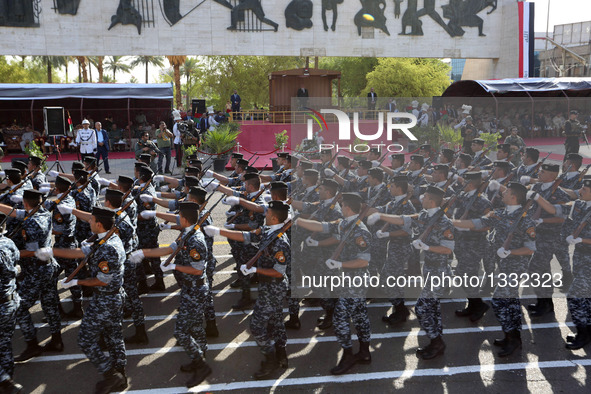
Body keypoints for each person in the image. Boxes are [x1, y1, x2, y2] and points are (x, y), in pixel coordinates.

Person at [37, 207, 128, 393]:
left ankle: (112, 375)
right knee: (113, 337)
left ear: (99, 224)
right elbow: (80, 252)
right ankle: (120, 376)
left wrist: (77, 282)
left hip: (106, 300)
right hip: (112, 297)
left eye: (91, 220)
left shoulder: (108, 247)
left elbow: (101, 281)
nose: (89, 222)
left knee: (85, 339)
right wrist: (53, 251)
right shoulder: (107, 238)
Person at [204, 200, 290, 379]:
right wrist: (219, 231)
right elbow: (247, 236)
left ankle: (271, 358)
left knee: (257, 326)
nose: (264, 214)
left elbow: (278, 272)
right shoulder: (268, 230)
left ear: (274, 218)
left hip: (274, 287)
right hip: (267, 285)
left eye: (267, 213)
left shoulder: (281, 242)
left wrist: (255, 270)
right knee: (275, 320)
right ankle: (281, 353)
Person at [130, 201, 212, 388]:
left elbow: (198, 270)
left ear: (184, 219)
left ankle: (201, 364)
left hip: (196, 289)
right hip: (190, 289)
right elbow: (168, 249)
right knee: (196, 326)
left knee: (181, 331)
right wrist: (143, 253)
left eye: (178, 217)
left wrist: (174, 266)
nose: (177, 219)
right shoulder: (186, 233)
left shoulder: (195, 240)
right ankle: (200, 355)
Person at [0, 212, 23, 393]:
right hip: (10, 300)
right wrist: (17, 268)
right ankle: (8, 380)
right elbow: (15, 266)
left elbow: (9, 271)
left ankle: (5, 380)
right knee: (5, 342)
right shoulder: (9, 243)